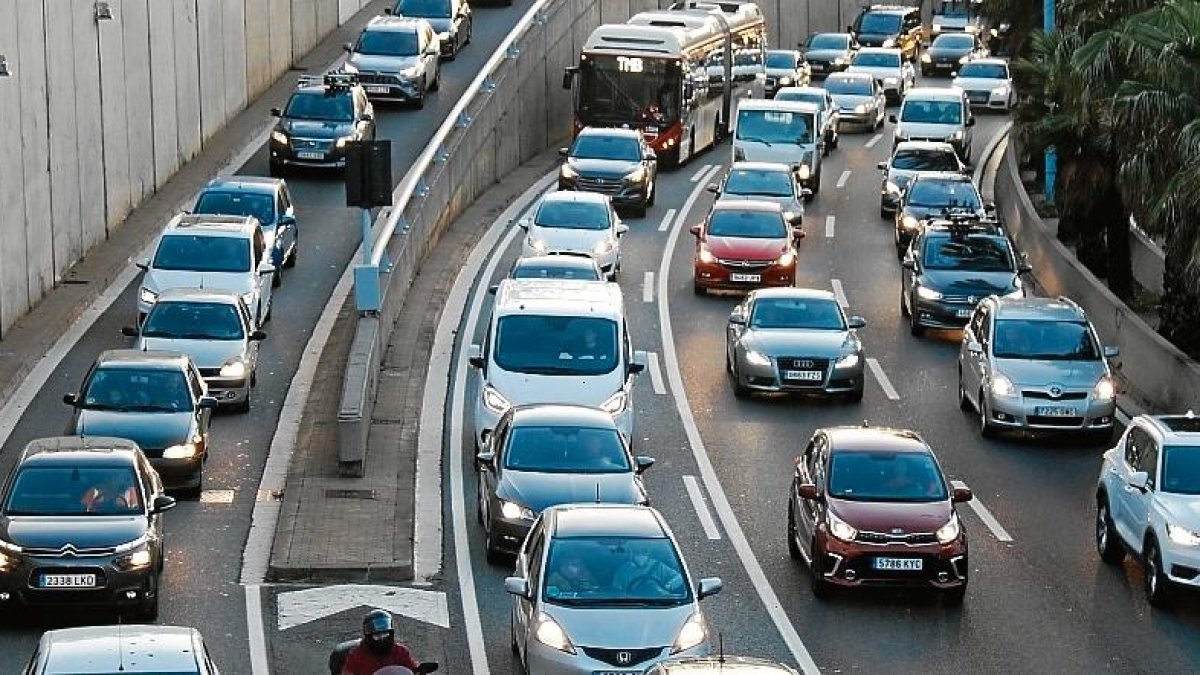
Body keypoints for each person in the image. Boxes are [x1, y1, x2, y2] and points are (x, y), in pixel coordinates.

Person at [340, 610, 423, 675]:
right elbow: (347, 672)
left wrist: (420, 669)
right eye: (377, 636)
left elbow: (412, 668)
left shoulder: (400, 652)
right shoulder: (356, 656)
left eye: (385, 634)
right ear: (368, 637)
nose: (382, 639)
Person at [612, 546, 685, 595]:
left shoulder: (658, 566)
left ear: (649, 553)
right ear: (631, 553)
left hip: (662, 602)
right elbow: (616, 591)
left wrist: (669, 586)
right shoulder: (623, 570)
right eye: (637, 551)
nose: (641, 554)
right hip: (633, 603)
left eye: (644, 551)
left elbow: (680, 578)